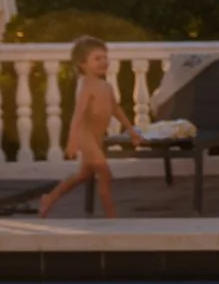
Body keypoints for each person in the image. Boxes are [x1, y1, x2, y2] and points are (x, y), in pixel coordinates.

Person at [35, 37, 141, 219]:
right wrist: (72, 141)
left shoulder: (106, 86)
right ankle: (112, 217)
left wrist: (131, 130)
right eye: (97, 59)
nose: (103, 62)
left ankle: (49, 198)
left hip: (97, 136)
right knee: (105, 174)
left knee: (83, 175)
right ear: (82, 64)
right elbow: (77, 116)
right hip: (86, 137)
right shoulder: (86, 88)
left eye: (105, 58)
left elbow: (115, 108)